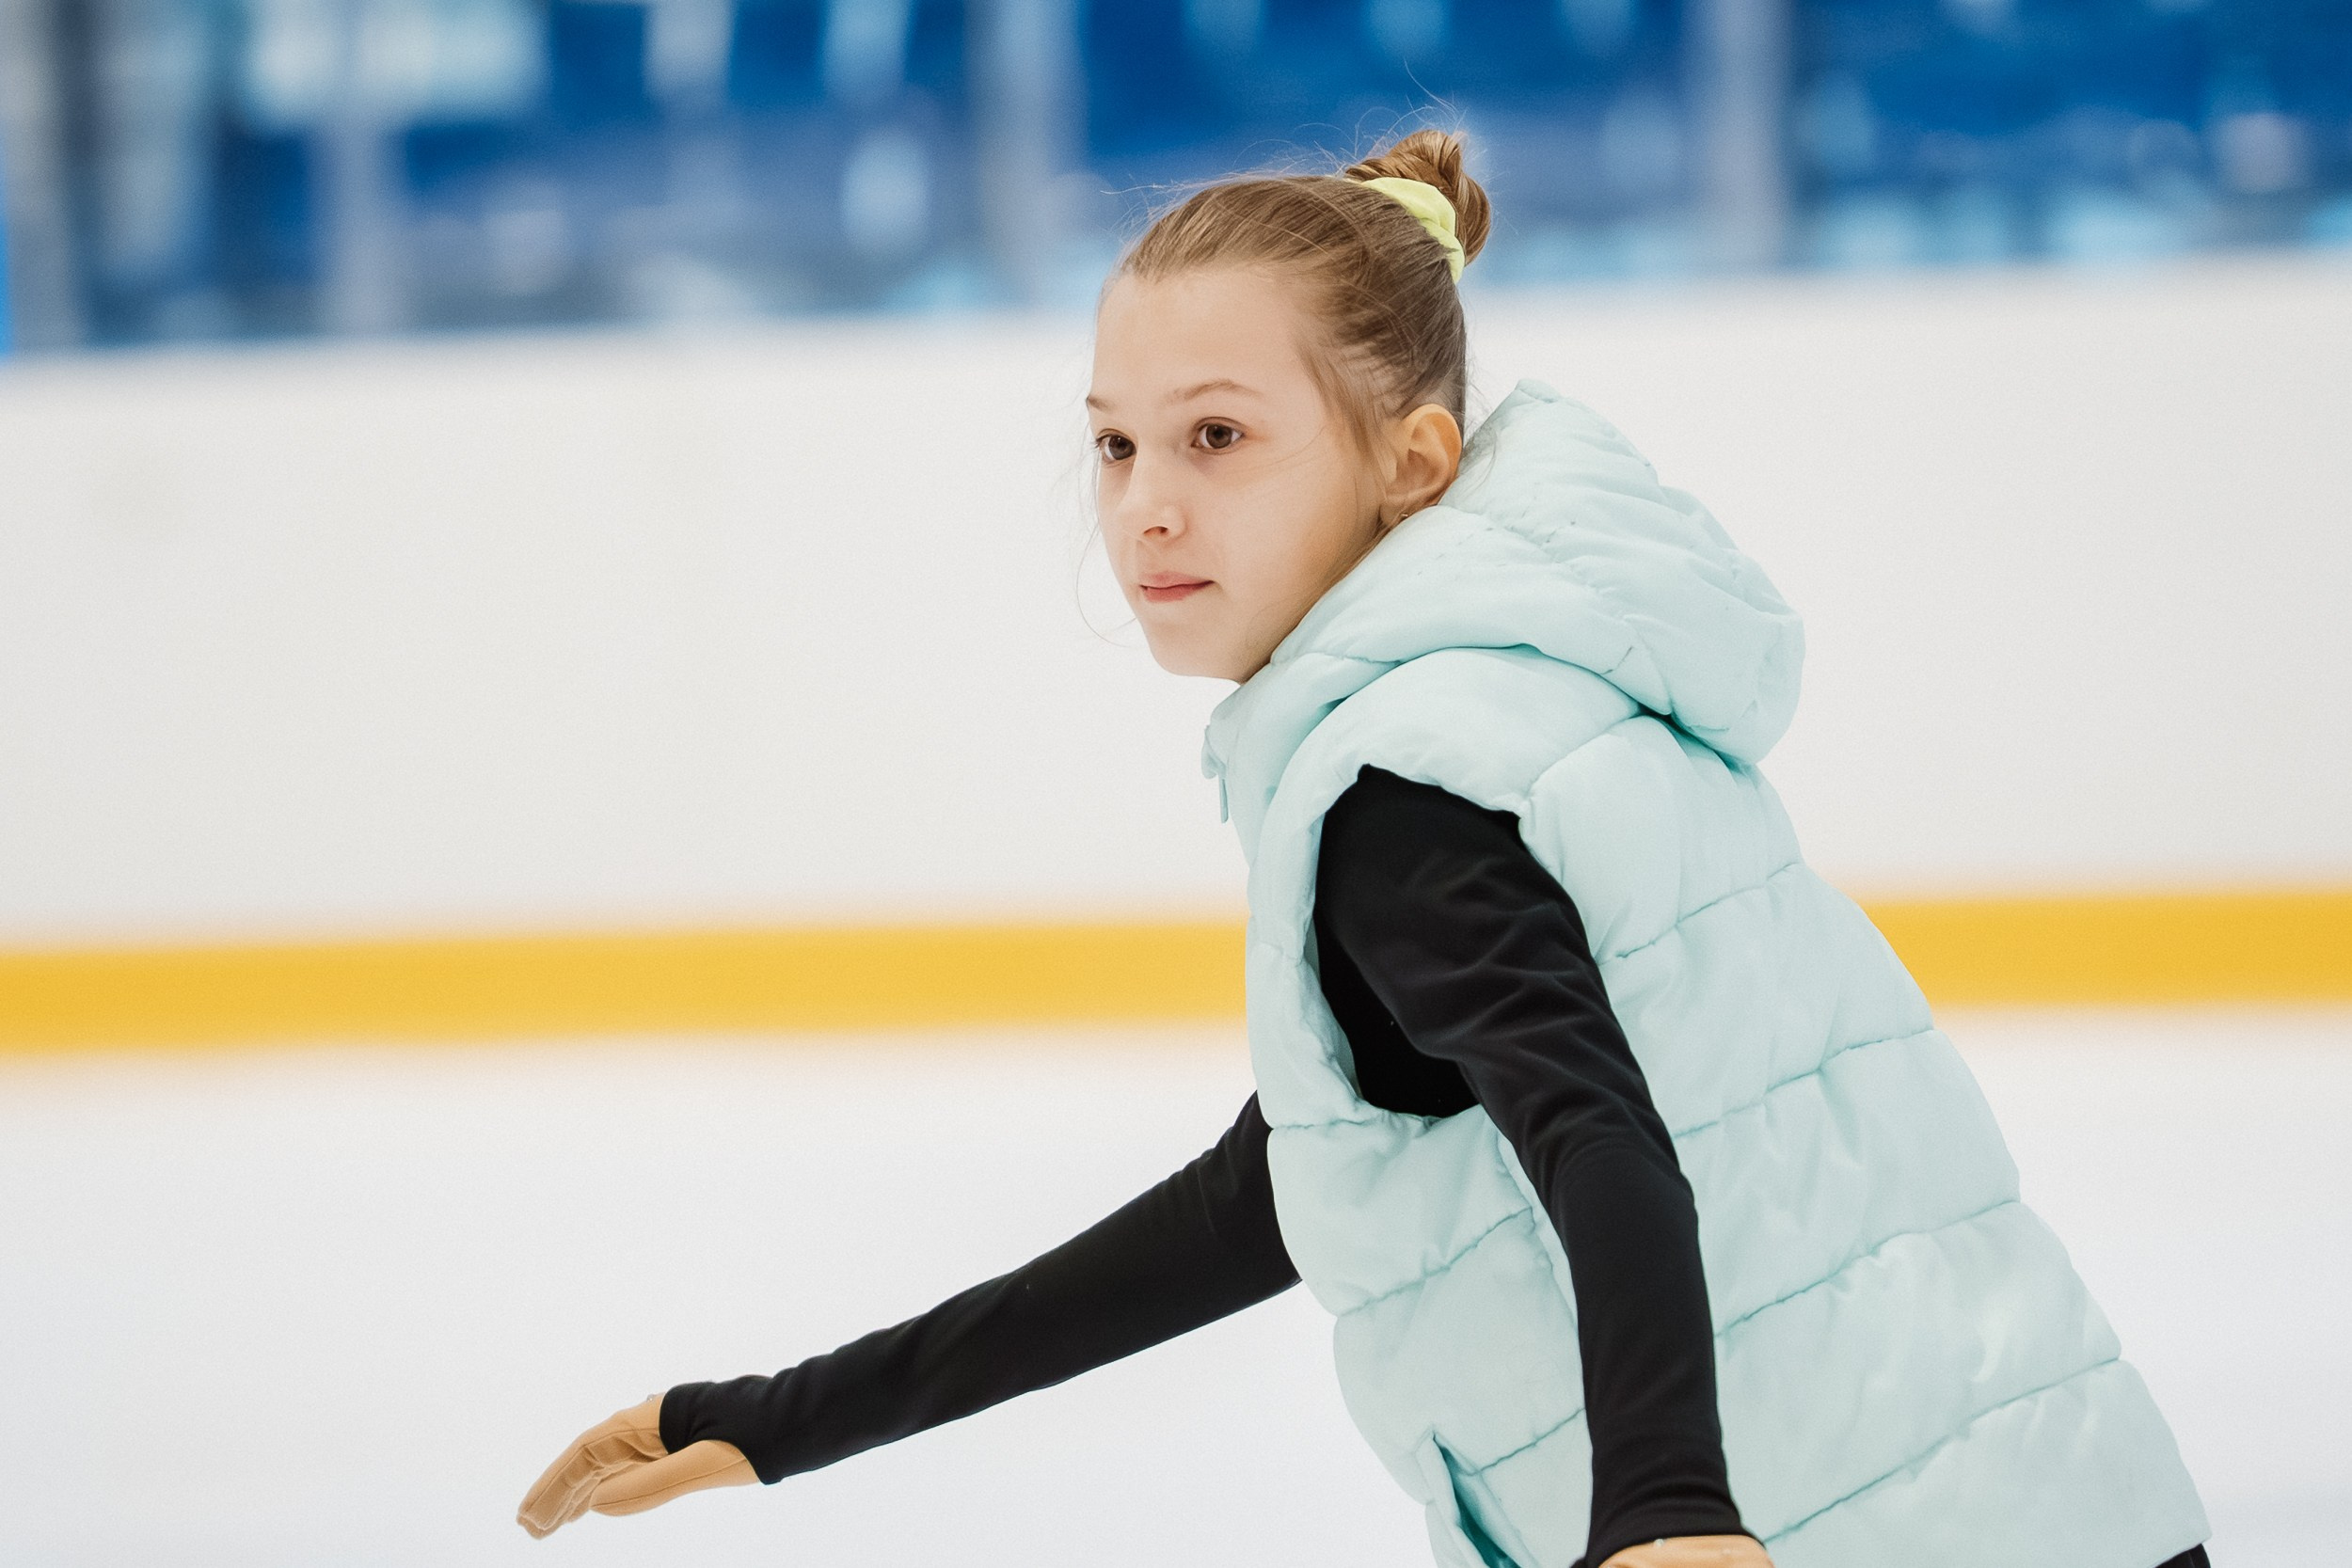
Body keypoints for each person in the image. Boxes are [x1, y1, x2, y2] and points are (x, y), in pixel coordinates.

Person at [516, 129, 2211, 1568]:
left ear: (1413, 466)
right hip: (2034, 1496)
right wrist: (789, 1424)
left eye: (1220, 437)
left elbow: (1599, 1143)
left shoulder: (1407, 793)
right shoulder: (1536, 703)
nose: (1145, 506)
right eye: (1113, 443)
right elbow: (1298, 1185)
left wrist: (1667, 1516)